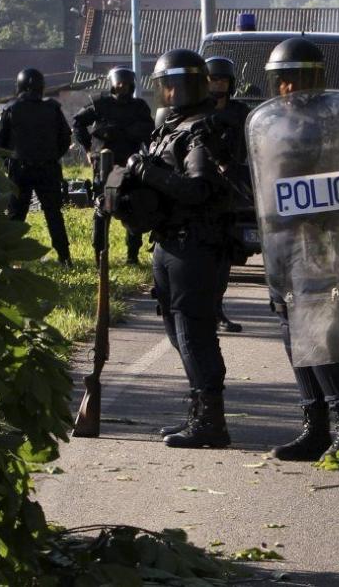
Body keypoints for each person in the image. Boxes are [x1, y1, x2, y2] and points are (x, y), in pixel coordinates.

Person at [249, 37, 339, 462]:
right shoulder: (268, 125)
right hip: (279, 243)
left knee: (321, 336)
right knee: (291, 333)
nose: (287, 89)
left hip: (319, 244)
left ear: (314, 79)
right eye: (281, 81)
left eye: (294, 80)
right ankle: (315, 427)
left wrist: (324, 205)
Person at [125, 49, 231, 449]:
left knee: (194, 333)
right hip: (168, 241)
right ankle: (198, 412)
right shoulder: (170, 126)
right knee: (178, 332)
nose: (168, 91)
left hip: (196, 245)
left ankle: (212, 422)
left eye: (174, 84)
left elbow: (199, 190)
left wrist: (144, 170)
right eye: (163, 85)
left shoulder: (203, 130)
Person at [73, 67, 154, 266]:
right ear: (113, 84)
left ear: (132, 85)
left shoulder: (139, 107)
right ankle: (100, 255)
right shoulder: (101, 104)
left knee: (134, 206)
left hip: (131, 163)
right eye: (119, 84)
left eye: (126, 84)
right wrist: (88, 150)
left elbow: (150, 131)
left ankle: (132, 256)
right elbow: (78, 123)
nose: (122, 87)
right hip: (105, 164)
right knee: (103, 206)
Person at [0, 67, 73, 267]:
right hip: (48, 168)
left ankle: (7, 259)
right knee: (53, 214)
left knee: (15, 217)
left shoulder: (11, 110)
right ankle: (65, 258)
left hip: (19, 169)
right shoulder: (53, 109)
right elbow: (65, 137)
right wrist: (53, 156)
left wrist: (8, 163)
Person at [205, 56, 249, 333]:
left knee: (223, 258)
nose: (217, 85)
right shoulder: (196, 112)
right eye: (212, 79)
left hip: (229, 194)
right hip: (199, 191)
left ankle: (217, 311)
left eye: (222, 80)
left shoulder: (240, 113)